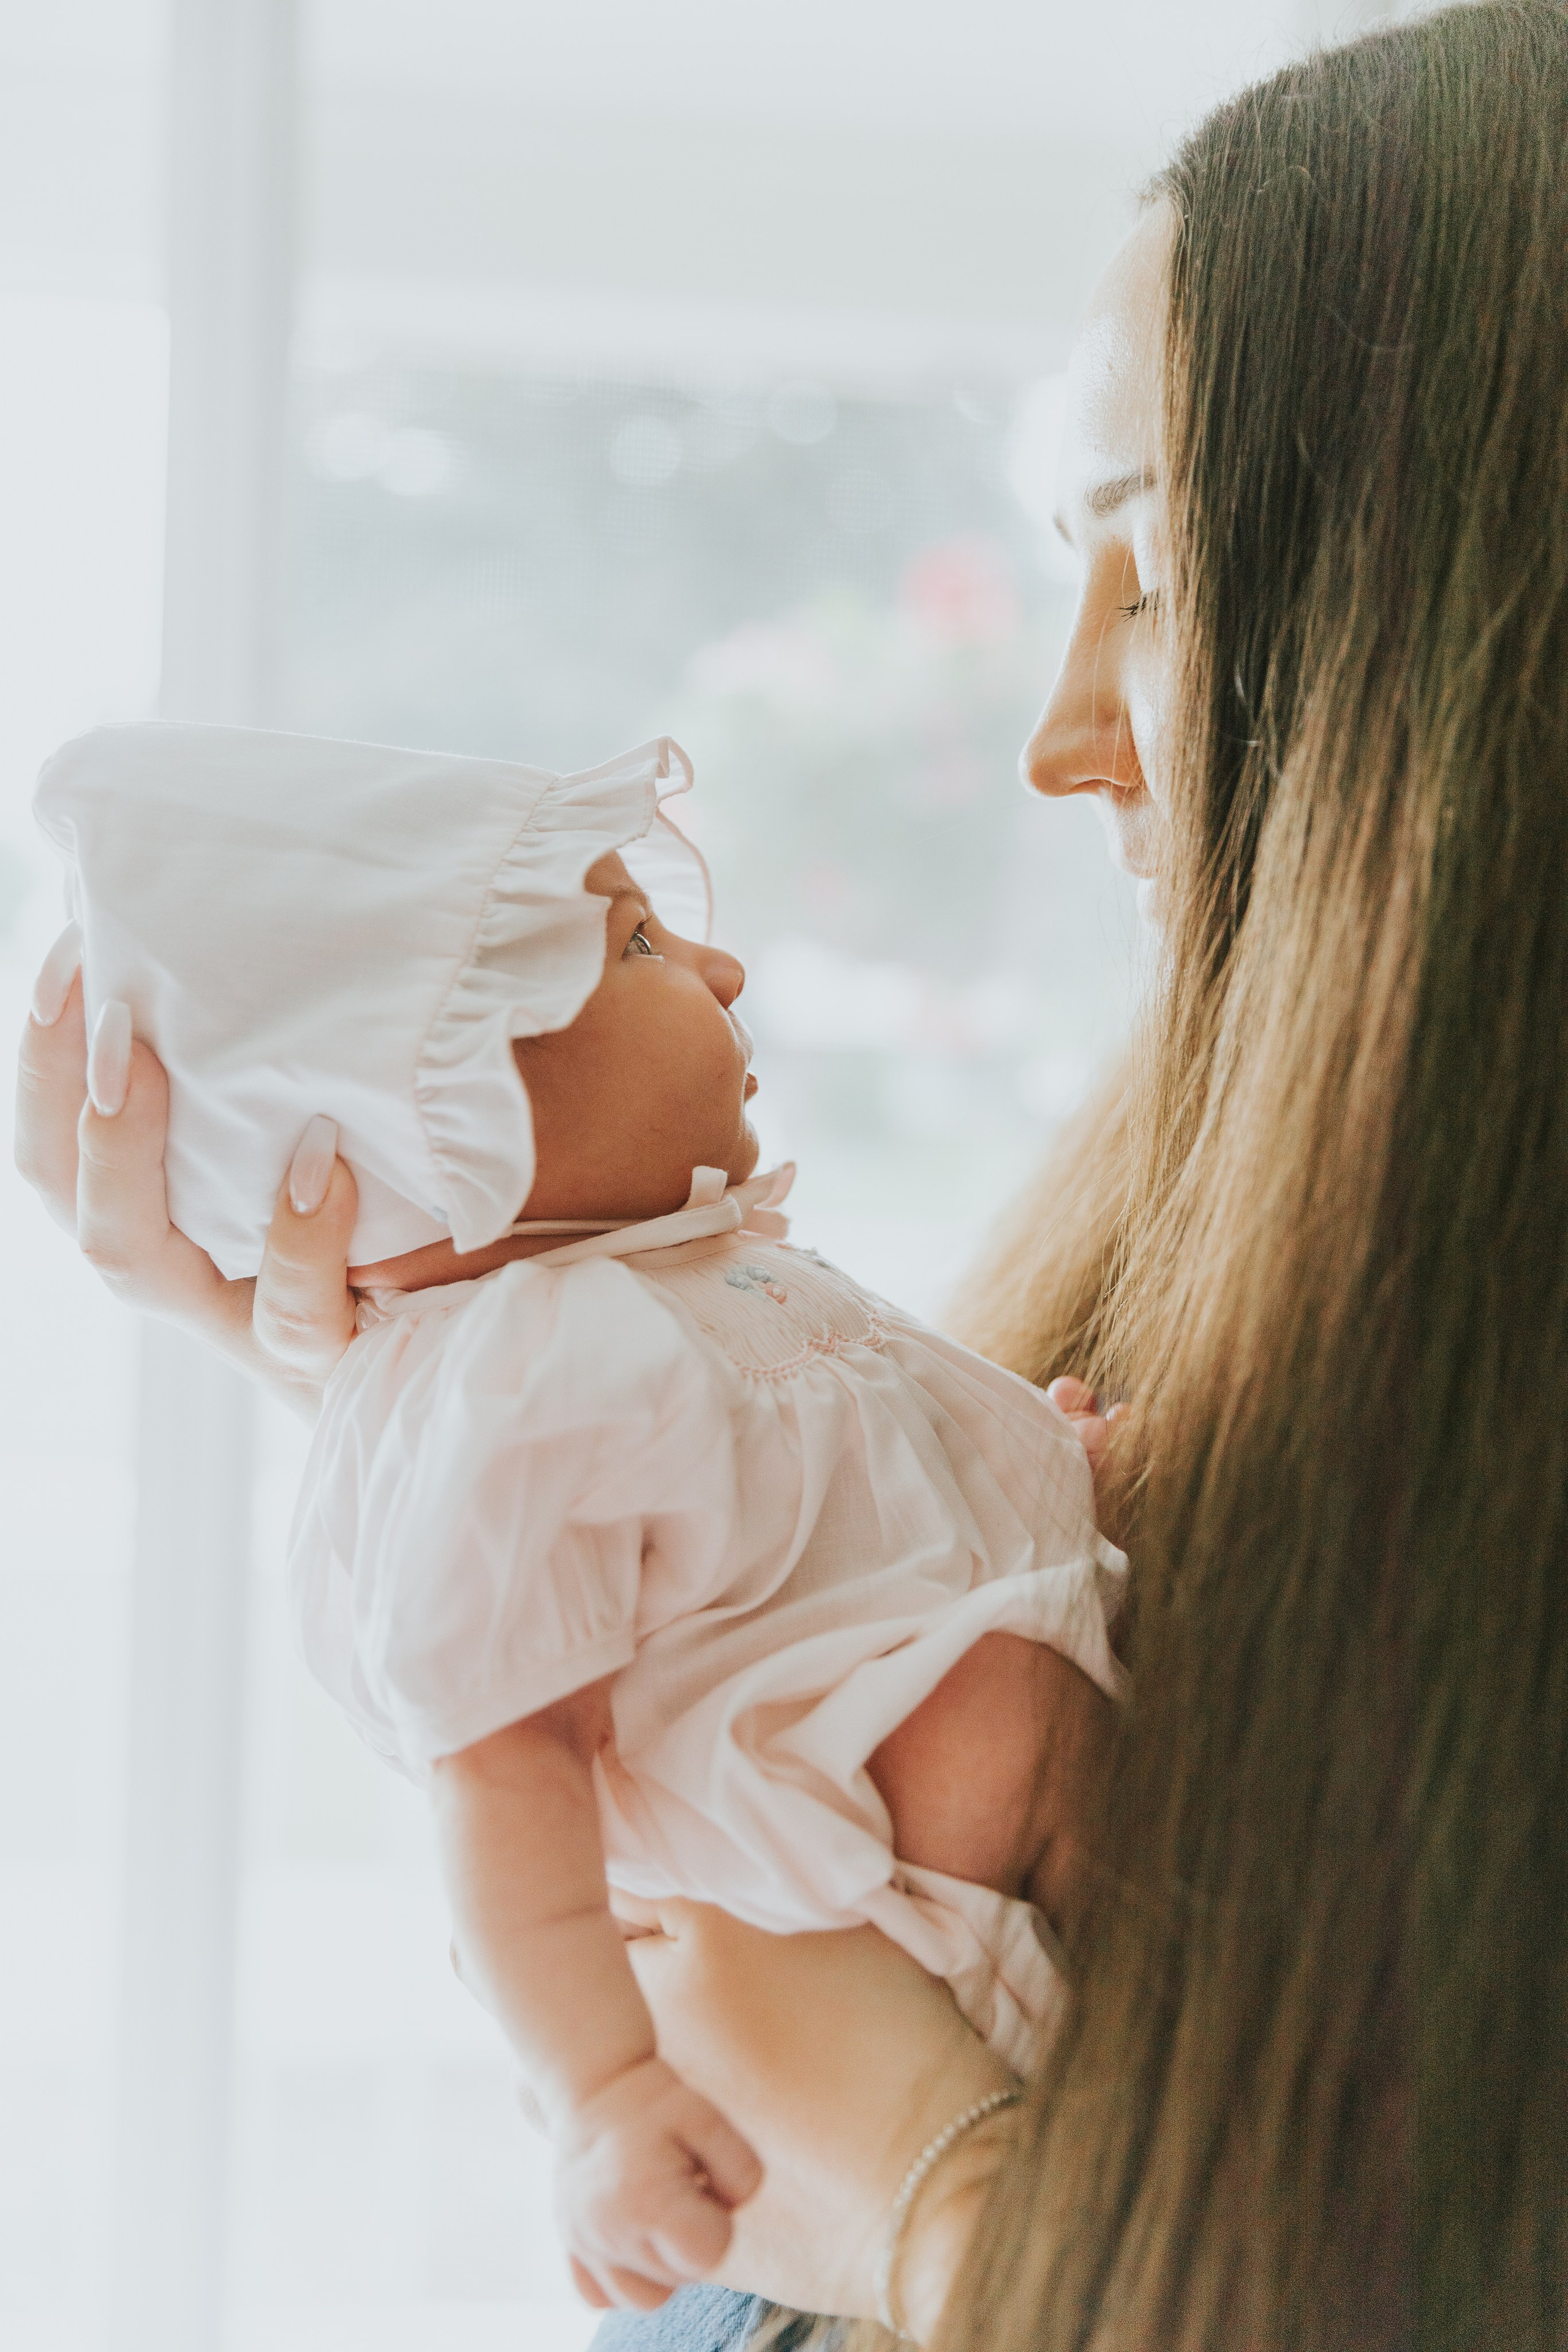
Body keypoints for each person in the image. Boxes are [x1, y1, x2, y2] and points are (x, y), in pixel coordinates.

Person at [16, 4, 1567, 2343]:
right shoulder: (1204, 1212)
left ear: (1453, 643)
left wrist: (942, 2205)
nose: (1063, 736)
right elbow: (643, 1607)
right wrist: (345, 1347)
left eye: (1152, 583)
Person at [32, 718, 1123, 2310]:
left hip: (920, 1747)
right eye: (633, 944)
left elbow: (828, 1467)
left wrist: (1017, 1455)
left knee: (1015, 1724)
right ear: (437, 1136)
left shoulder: (677, 1273)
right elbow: (501, 1765)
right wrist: (604, 2094)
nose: (723, 968)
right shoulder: (519, 1377)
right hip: (831, 1848)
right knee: (998, 1733)